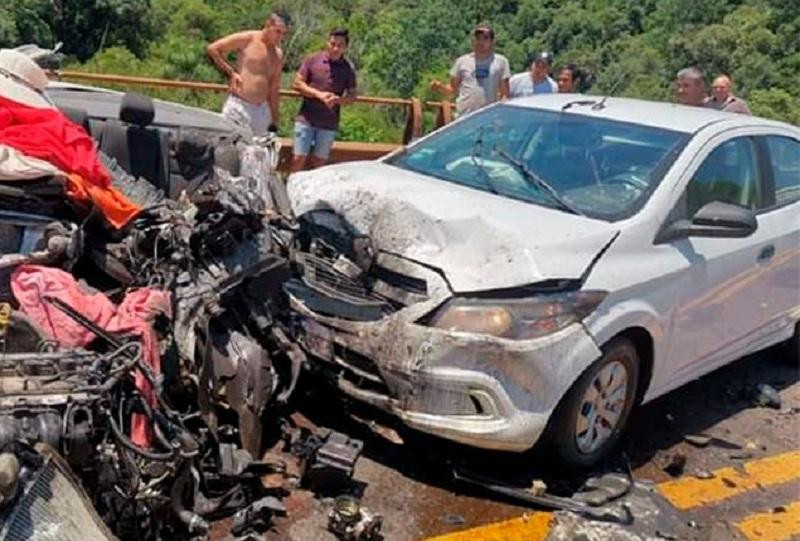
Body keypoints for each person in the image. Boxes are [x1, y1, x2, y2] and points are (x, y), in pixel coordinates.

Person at [206, 13, 287, 137]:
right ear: (268, 25)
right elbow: (213, 49)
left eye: (283, 33)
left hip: (261, 110)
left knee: (256, 153)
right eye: (277, 31)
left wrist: (275, 118)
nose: (280, 37)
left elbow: (274, 88)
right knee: (231, 150)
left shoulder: (278, 54)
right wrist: (231, 73)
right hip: (240, 106)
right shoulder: (248, 38)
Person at [290, 28, 358, 172]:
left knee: (319, 164)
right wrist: (318, 94)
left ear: (345, 47)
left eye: (340, 45)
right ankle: (289, 190)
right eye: (333, 43)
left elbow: (352, 97)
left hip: (328, 123)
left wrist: (337, 100)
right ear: (327, 42)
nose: (335, 48)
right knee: (298, 159)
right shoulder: (313, 60)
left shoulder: (348, 68)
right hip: (305, 119)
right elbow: (297, 83)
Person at [430, 24, 510, 115]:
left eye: (485, 38)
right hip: (464, 116)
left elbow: (505, 95)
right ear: (473, 40)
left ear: (492, 41)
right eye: (478, 38)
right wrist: (439, 87)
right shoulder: (462, 61)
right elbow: (452, 90)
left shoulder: (501, 62)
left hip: (488, 117)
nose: (481, 42)